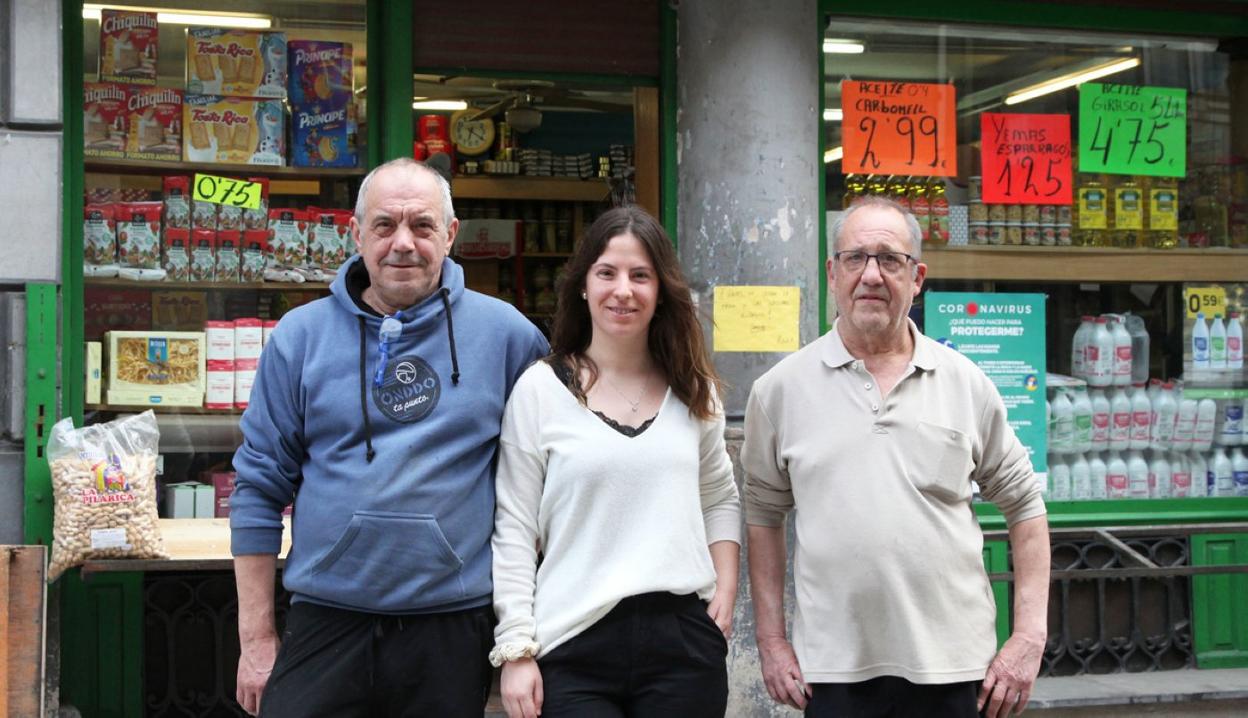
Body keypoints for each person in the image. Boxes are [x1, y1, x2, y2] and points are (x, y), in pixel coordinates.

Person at [229, 158, 549, 717]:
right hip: (325, 620)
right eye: (384, 226)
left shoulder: (510, 338)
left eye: (422, 226)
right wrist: (256, 642)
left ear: (450, 236)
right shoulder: (298, 339)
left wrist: (524, 633)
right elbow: (257, 490)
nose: (403, 243)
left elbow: (546, 486)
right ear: (356, 234)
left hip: (450, 628)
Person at [742, 196, 1051, 718]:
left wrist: (1028, 637)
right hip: (834, 670)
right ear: (832, 272)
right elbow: (762, 516)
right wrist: (771, 642)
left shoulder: (965, 383)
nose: (872, 275)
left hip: (954, 667)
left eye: (890, 260)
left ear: (917, 278)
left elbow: (1025, 507)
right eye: (856, 258)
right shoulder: (779, 391)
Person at [490, 206, 741, 718]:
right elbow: (514, 525)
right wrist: (516, 647)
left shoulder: (695, 391)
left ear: (661, 291)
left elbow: (719, 496)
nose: (622, 290)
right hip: (573, 641)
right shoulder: (540, 390)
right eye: (607, 272)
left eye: (640, 275)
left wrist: (726, 588)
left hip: (683, 645)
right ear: (583, 284)